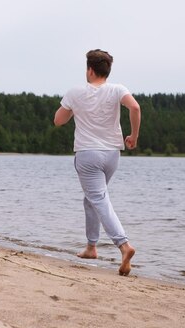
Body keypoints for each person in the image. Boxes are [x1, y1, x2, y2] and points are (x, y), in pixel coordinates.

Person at [54, 49, 141, 276]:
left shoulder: (75, 93)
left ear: (90, 70)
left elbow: (58, 121)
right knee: (92, 199)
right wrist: (134, 136)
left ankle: (124, 245)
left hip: (88, 155)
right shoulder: (117, 90)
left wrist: (75, 109)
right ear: (107, 70)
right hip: (112, 154)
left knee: (99, 199)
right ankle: (91, 247)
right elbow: (135, 107)